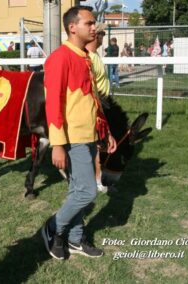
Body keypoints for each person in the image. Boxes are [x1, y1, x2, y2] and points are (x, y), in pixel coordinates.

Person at [41, 6, 117, 260]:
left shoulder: (85, 57)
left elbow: (93, 100)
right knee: (87, 192)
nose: (94, 27)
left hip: (89, 135)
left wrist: (105, 132)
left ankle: (74, 238)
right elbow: (53, 104)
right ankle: (54, 228)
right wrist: (58, 145)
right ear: (72, 27)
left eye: (94, 23)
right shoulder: (60, 58)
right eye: (90, 23)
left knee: (77, 190)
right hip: (72, 138)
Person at [86, 23, 111, 194]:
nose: (103, 38)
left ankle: (98, 177)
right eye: (102, 34)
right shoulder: (89, 57)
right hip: (97, 106)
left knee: (100, 144)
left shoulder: (95, 55)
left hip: (104, 104)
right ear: (97, 35)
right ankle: (97, 179)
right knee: (97, 145)